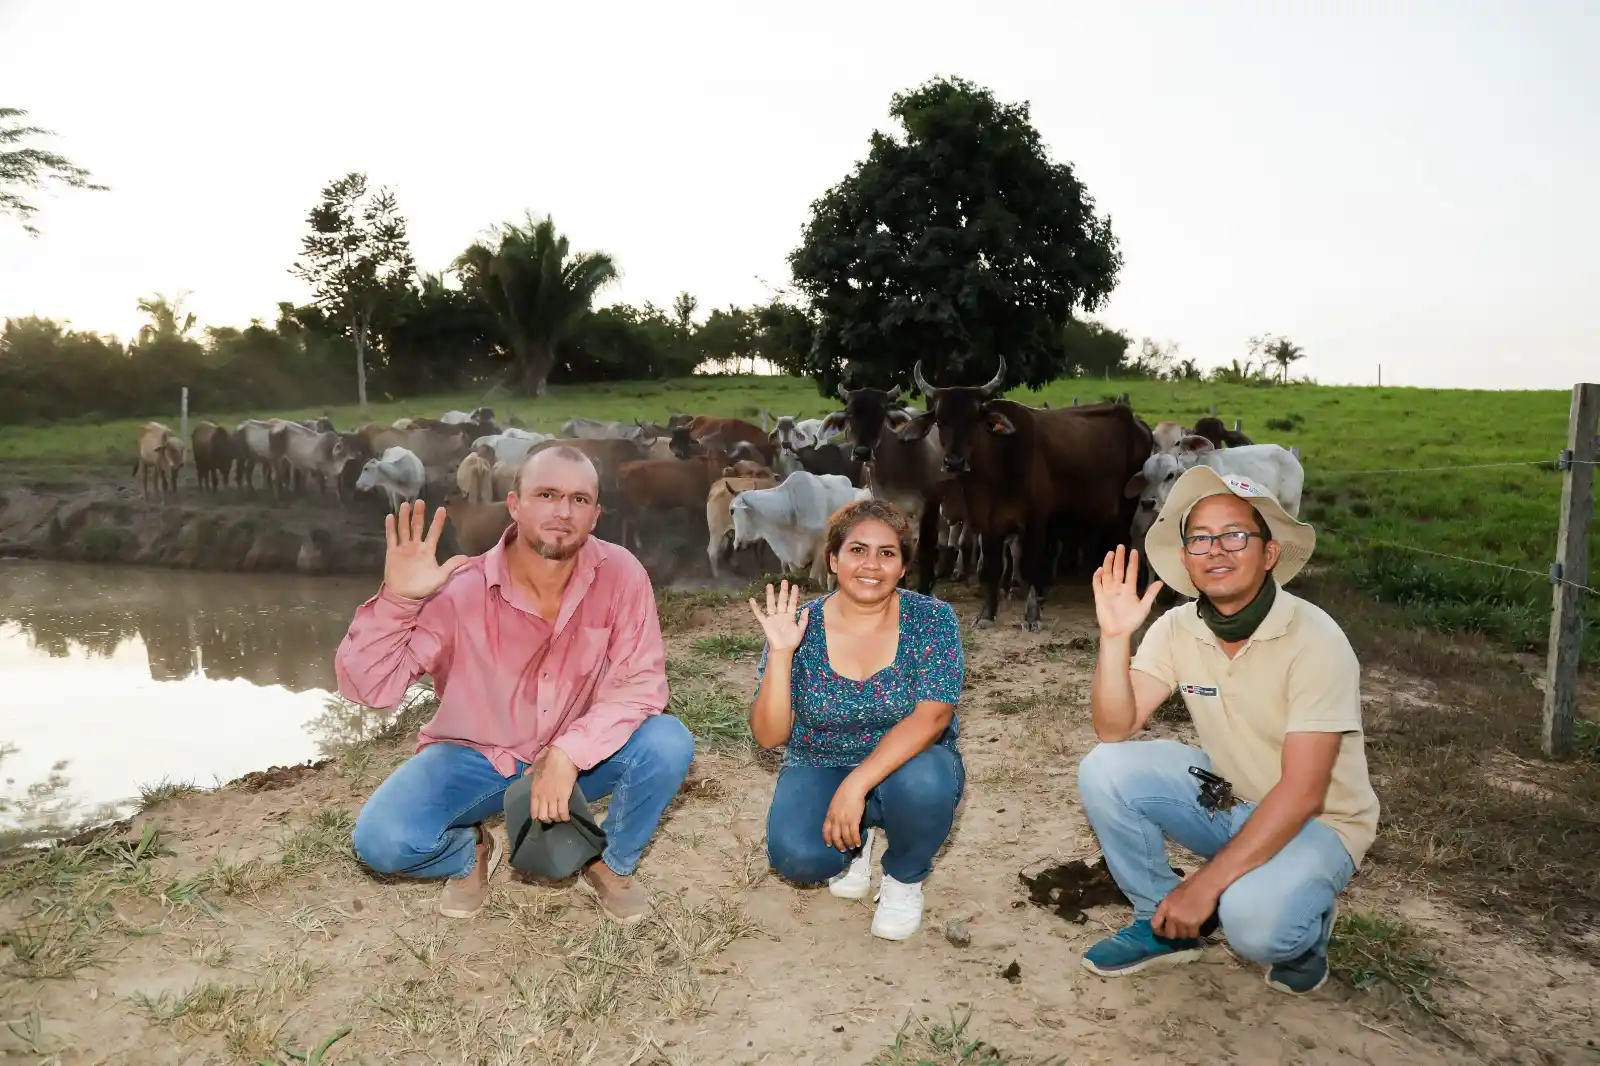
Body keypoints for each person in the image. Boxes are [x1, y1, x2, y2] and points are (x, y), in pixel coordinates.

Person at [334, 445, 693, 924]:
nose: (563, 512)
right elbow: (369, 689)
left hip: (580, 757)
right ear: (514, 504)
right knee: (382, 840)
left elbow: (640, 685)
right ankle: (470, 851)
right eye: (546, 495)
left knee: (667, 741)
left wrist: (567, 754)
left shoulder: (622, 575)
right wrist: (399, 600)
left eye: (579, 500)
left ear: (596, 514)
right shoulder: (460, 588)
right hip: (477, 756)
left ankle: (610, 861)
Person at [1077, 466, 1379, 995]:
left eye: (1235, 535)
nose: (1216, 549)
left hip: (1321, 821)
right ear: (1187, 560)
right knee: (1105, 768)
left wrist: (1206, 886)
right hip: (1233, 800)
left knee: (1251, 925)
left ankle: (1306, 933)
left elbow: (1306, 791)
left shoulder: (1316, 639)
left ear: (1269, 553)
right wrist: (1113, 639)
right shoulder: (1177, 628)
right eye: (1200, 539)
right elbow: (1113, 727)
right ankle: (1162, 924)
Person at [748, 499, 965, 941]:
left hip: (911, 762)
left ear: (903, 566)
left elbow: (933, 716)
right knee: (799, 858)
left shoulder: (933, 619)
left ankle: (904, 877)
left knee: (926, 782)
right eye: (857, 550)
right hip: (820, 759)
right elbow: (770, 735)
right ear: (833, 559)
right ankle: (858, 836)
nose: (871, 564)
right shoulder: (800, 624)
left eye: (887, 553)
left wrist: (855, 784)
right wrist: (782, 654)